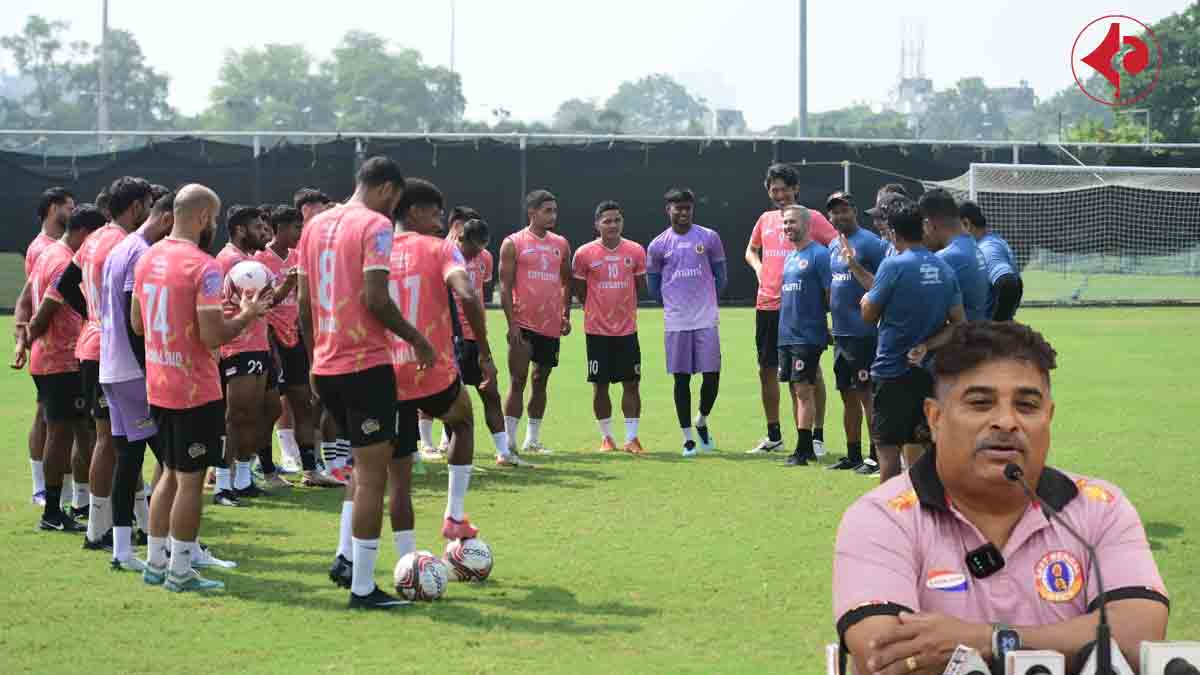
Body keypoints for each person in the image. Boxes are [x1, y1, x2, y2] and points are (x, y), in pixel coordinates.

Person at [833, 321, 1168, 675]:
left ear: (1048, 416)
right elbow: (886, 655)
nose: (1007, 422)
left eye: (1026, 406)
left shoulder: (1100, 507)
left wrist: (990, 640)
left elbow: (1138, 637)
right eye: (980, 404)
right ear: (935, 418)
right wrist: (1068, 644)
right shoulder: (883, 517)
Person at [297, 156, 434, 609]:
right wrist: (416, 338)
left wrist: (314, 357)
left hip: (327, 365)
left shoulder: (315, 225)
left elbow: (303, 301)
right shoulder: (375, 225)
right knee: (375, 475)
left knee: (359, 467)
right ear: (389, 190)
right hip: (365, 365)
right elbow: (376, 299)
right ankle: (362, 589)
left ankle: (344, 558)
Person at [132, 183, 270, 592]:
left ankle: (156, 563)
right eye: (213, 217)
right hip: (193, 387)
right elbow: (213, 336)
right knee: (190, 481)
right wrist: (246, 315)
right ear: (203, 218)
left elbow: (139, 324)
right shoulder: (203, 266)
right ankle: (180, 571)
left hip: (158, 383)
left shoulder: (148, 256)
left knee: (169, 476)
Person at [384, 178, 494, 574]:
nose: (440, 221)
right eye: (434, 212)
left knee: (398, 474)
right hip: (430, 367)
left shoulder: (374, 247)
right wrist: (483, 350)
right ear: (414, 211)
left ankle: (408, 561)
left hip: (384, 372)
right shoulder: (440, 248)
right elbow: (466, 295)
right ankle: (454, 515)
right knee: (462, 420)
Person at [75, 176, 154, 551]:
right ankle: (98, 529)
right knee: (111, 441)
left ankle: (139, 522)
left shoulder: (93, 240)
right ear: (137, 207)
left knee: (124, 443)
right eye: (150, 204)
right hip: (111, 349)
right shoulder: (124, 245)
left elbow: (67, 283)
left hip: (93, 344)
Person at [860, 202, 965, 482]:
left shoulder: (892, 265)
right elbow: (958, 324)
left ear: (893, 233)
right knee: (918, 449)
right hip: (926, 373)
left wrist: (864, 300)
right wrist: (927, 346)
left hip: (891, 370)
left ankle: (891, 520)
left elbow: (869, 315)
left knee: (887, 451)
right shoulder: (944, 268)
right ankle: (922, 515)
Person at [100, 189, 174, 571]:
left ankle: (123, 552)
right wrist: (151, 372)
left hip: (112, 369)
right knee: (174, 460)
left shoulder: (120, 246)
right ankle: (178, 549)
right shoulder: (141, 251)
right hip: (133, 374)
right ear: (164, 218)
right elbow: (136, 321)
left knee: (129, 460)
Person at [745, 163, 837, 455]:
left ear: (796, 188)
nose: (780, 194)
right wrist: (759, 269)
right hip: (768, 304)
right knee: (769, 370)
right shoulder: (766, 219)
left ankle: (816, 436)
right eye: (774, 189)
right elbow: (751, 249)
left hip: (801, 307)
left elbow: (836, 247)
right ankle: (775, 435)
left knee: (810, 375)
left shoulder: (812, 218)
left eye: (785, 189)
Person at [26, 205, 106, 531]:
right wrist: (91, 314)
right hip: (61, 360)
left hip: (55, 359)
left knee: (81, 433)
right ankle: (53, 512)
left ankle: (83, 503)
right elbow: (44, 313)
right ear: (86, 234)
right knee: (63, 434)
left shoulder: (49, 253)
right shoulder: (62, 261)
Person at [255, 206, 340, 488]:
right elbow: (262, 305)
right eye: (296, 228)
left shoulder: (299, 257)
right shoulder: (259, 259)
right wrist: (289, 281)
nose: (300, 234)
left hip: (297, 341)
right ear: (279, 228)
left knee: (304, 404)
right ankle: (266, 470)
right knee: (269, 410)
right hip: (270, 342)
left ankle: (310, 471)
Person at [215, 205, 287, 504]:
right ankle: (222, 483)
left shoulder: (251, 262)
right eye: (259, 227)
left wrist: (291, 283)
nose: (265, 232)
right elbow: (215, 303)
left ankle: (244, 478)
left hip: (258, 345)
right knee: (236, 417)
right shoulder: (228, 261)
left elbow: (267, 303)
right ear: (241, 230)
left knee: (268, 410)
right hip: (236, 346)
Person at [647, 188, 727, 457]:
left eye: (687, 208)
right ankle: (687, 439)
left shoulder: (709, 237)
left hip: (705, 318)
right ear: (667, 210)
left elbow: (721, 276)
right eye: (677, 208)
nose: (682, 213)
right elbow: (653, 287)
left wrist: (707, 300)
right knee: (681, 380)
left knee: (712, 376)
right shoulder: (658, 245)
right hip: (677, 322)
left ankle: (702, 420)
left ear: (692, 209)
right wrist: (674, 304)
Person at [12, 187, 75, 507]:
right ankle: (43, 487)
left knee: (58, 422)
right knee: (48, 418)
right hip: (52, 348)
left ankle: (62, 488)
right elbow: (33, 301)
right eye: (69, 206)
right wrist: (26, 336)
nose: (73, 212)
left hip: (49, 345)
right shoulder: (46, 249)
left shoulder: (49, 248)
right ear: (53, 209)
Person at [499, 189, 572, 457]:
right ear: (532, 213)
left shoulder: (561, 244)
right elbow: (505, 287)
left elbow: (567, 280)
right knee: (517, 381)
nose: (553, 215)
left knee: (541, 381)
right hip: (523, 324)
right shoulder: (513, 242)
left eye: (554, 210)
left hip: (550, 324)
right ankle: (507, 442)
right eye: (547, 210)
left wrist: (566, 313)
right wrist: (512, 324)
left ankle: (533, 439)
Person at [572, 200, 648, 454]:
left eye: (617, 220)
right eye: (607, 220)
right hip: (597, 331)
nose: (613, 224)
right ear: (597, 224)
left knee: (632, 383)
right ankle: (606, 437)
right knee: (600, 385)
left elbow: (639, 286)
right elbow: (580, 291)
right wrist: (596, 311)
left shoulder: (636, 251)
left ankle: (631, 438)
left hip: (627, 330)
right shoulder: (584, 254)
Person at [447, 217, 521, 466]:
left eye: (482, 248)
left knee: (490, 393)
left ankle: (503, 452)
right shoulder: (446, 256)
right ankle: (452, 454)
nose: (477, 253)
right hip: (450, 337)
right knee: (453, 400)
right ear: (461, 239)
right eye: (473, 248)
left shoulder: (485, 258)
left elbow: (479, 295)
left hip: (477, 335)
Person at [825, 191, 887, 472]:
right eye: (834, 212)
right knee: (847, 396)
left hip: (864, 334)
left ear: (854, 211)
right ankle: (853, 455)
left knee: (867, 396)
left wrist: (856, 265)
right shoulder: (832, 245)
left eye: (844, 210)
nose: (839, 216)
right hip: (841, 335)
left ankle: (875, 456)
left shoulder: (872, 244)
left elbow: (882, 287)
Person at [420, 204, 483, 456]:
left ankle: (448, 443)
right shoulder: (437, 251)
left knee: (455, 389)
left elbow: (474, 295)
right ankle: (425, 443)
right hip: (435, 329)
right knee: (426, 385)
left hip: (465, 331)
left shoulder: (482, 255)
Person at [775, 206, 831, 466]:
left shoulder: (820, 255)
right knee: (794, 388)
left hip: (807, 335)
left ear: (807, 225)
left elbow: (831, 295)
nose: (788, 227)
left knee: (803, 390)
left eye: (792, 222)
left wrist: (826, 326)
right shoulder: (789, 257)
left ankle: (803, 449)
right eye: (785, 223)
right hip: (786, 335)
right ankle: (804, 444)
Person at [919, 188, 990, 322]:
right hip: (976, 333)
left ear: (929, 224)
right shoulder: (972, 245)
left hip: (961, 339)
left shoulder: (948, 257)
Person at [961, 200, 1023, 321]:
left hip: (986, 334)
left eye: (954, 228)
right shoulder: (991, 242)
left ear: (966, 224)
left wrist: (997, 325)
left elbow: (1008, 283)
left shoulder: (987, 248)